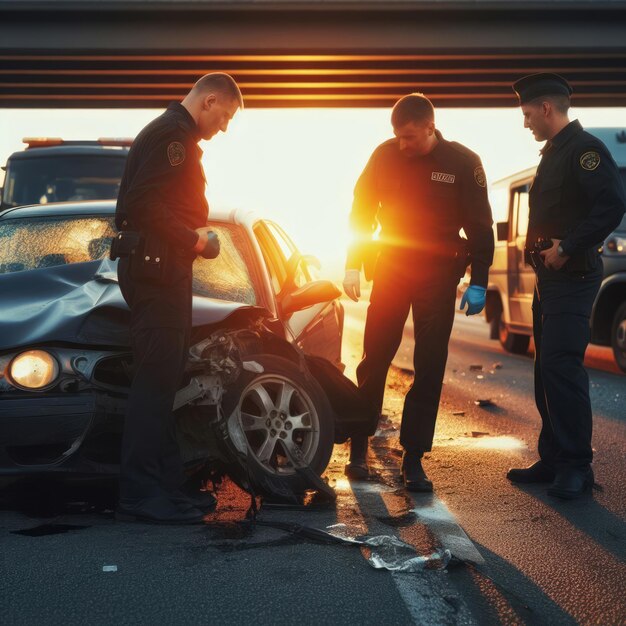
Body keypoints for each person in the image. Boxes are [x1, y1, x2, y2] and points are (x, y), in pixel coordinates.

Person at [343, 93, 494, 491]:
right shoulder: (385, 155)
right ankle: (360, 446)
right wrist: (352, 263)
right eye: (397, 136)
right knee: (375, 357)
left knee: (429, 364)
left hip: (437, 275)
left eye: (409, 137)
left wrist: (479, 279)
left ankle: (413, 457)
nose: (403, 144)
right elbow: (361, 209)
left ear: (430, 127)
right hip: (391, 267)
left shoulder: (463, 162)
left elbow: (480, 224)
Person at [114, 73, 243, 523]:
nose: (224, 126)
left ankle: (167, 488)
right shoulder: (172, 136)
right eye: (225, 116)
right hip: (157, 272)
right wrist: (193, 239)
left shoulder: (174, 135)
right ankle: (138, 494)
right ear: (209, 101)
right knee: (153, 389)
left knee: (165, 384)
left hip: (164, 272)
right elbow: (143, 202)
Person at [507, 73, 626, 499]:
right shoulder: (554, 153)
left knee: (563, 366)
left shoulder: (585, 150)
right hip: (549, 277)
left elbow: (612, 204)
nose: (525, 123)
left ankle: (577, 466)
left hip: (573, 275)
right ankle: (554, 457)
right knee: (546, 368)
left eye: (526, 114)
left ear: (545, 108)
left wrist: (569, 247)